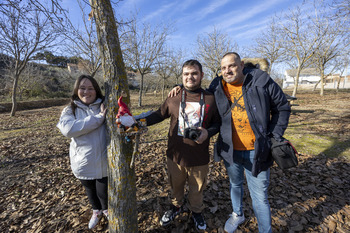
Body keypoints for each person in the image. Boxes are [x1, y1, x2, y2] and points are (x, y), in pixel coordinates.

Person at [169, 52, 291, 233]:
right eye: (223, 68)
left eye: (232, 66)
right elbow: (195, 87)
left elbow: (282, 107)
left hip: (257, 150)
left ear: (241, 65)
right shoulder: (218, 84)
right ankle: (237, 214)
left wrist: (273, 135)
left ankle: (265, 230)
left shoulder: (261, 80)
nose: (227, 70)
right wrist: (179, 86)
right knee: (235, 185)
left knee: (259, 196)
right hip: (230, 149)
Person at [140, 59, 220, 231]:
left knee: (197, 189)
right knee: (176, 187)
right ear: (182, 76)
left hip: (199, 157)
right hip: (176, 155)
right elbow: (158, 115)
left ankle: (196, 211)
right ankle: (176, 207)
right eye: (186, 74)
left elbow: (217, 123)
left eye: (194, 73)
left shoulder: (211, 99)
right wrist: (138, 122)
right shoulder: (174, 97)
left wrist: (208, 132)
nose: (190, 77)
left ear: (201, 75)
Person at [57, 75, 108, 230]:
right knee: (90, 190)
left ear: (96, 90)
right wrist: (99, 118)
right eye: (82, 88)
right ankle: (96, 211)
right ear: (77, 90)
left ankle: (106, 210)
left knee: (103, 192)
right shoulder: (70, 109)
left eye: (90, 88)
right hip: (82, 162)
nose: (86, 92)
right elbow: (68, 129)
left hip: (103, 162)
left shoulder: (105, 105)